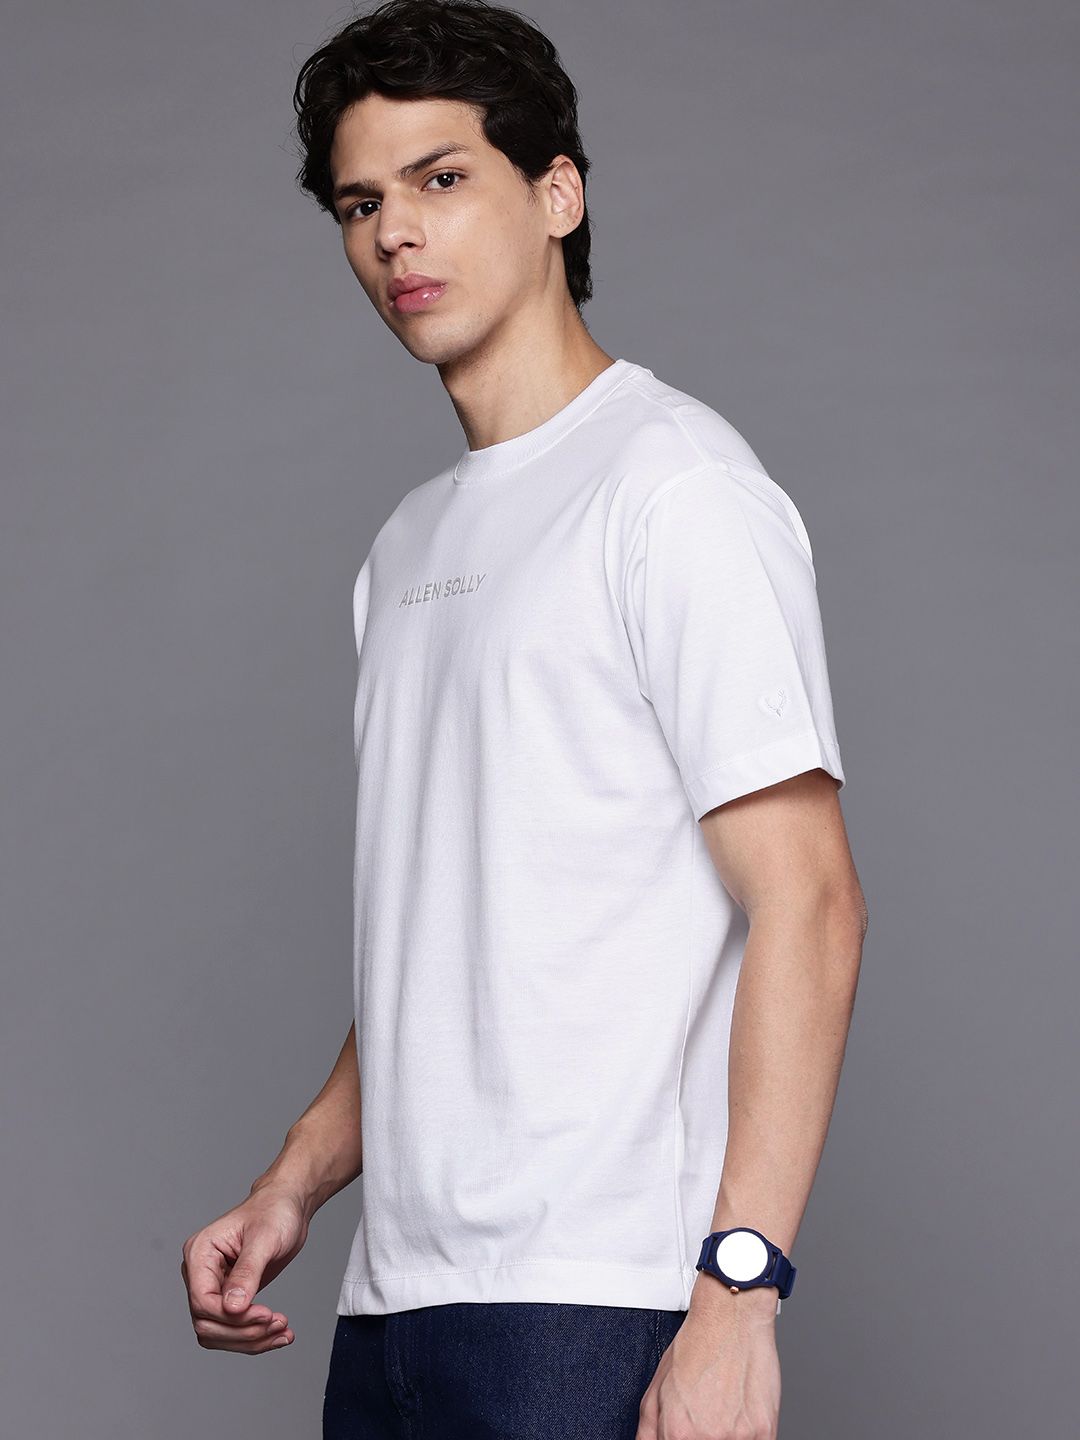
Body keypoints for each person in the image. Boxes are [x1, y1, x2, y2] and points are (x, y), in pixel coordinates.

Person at [179, 2, 868, 1436]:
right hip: (395, 1307)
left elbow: (809, 900)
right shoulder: (406, 546)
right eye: (360, 203)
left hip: (595, 1304)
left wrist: (740, 1295)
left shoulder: (673, 487)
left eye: (442, 179)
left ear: (557, 194)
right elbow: (449, 941)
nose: (395, 235)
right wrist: (293, 1183)